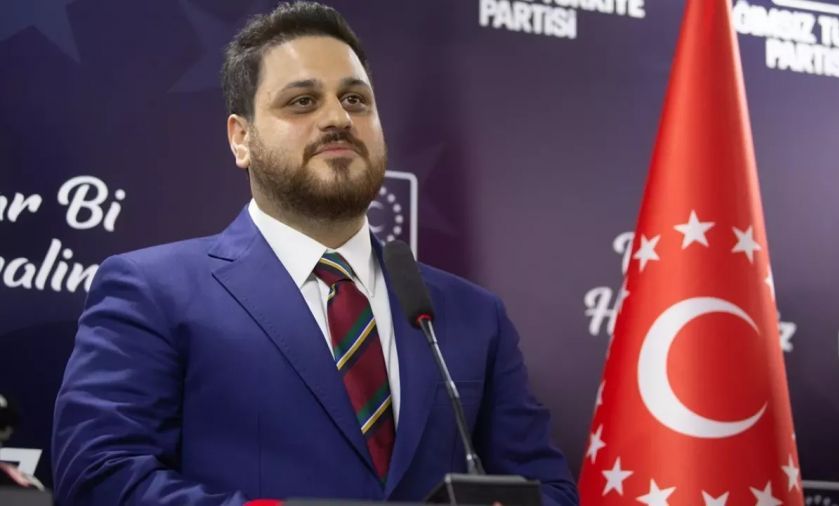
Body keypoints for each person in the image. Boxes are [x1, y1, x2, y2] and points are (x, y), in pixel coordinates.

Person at [52, 2, 577, 505]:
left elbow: (548, 490)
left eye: (356, 100)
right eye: (303, 101)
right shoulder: (152, 292)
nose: (338, 118)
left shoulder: (472, 316)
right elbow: (100, 476)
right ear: (241, 139)